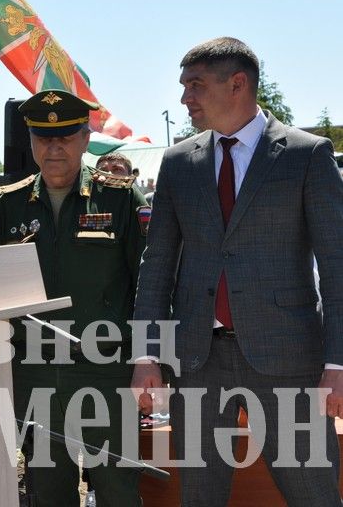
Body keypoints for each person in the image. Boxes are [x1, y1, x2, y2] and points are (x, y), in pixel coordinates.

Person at [131, 37, 343, 506]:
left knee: (314, 495)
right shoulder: (178, 162)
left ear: (238, 84)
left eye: (195, 85)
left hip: (290, 363)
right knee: (201, 496)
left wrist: (337, 363)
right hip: (197, 363)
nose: (185, 97)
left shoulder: (306, 155)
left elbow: (336, 265)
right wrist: (146, 355)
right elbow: (157, 264)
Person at [0, 89, 147, 507]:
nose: (53, 146)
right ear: (32, 142)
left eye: (66, 136)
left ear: (85, 138)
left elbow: (149, 283)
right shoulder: (11, 205)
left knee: (116, 487)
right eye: (42, 137)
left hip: (107, 369)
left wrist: (150, 359)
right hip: (33, 369)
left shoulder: (119, 198)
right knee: (47, 487)